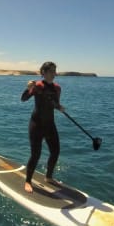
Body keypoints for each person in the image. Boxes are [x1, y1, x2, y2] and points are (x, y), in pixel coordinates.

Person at [21, 61, 65, 193]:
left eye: (55, 71)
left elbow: (55, 104)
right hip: (37, 124)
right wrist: (28, 88)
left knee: (55, 151)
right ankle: (28, 181)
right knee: (36, 155)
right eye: (51, 71)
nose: (54, 74)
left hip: (50, 124)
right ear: (43, 72)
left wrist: (59, 107)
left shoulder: (57, 88)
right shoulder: (38, 86)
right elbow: (23, 99)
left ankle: (49, 177)